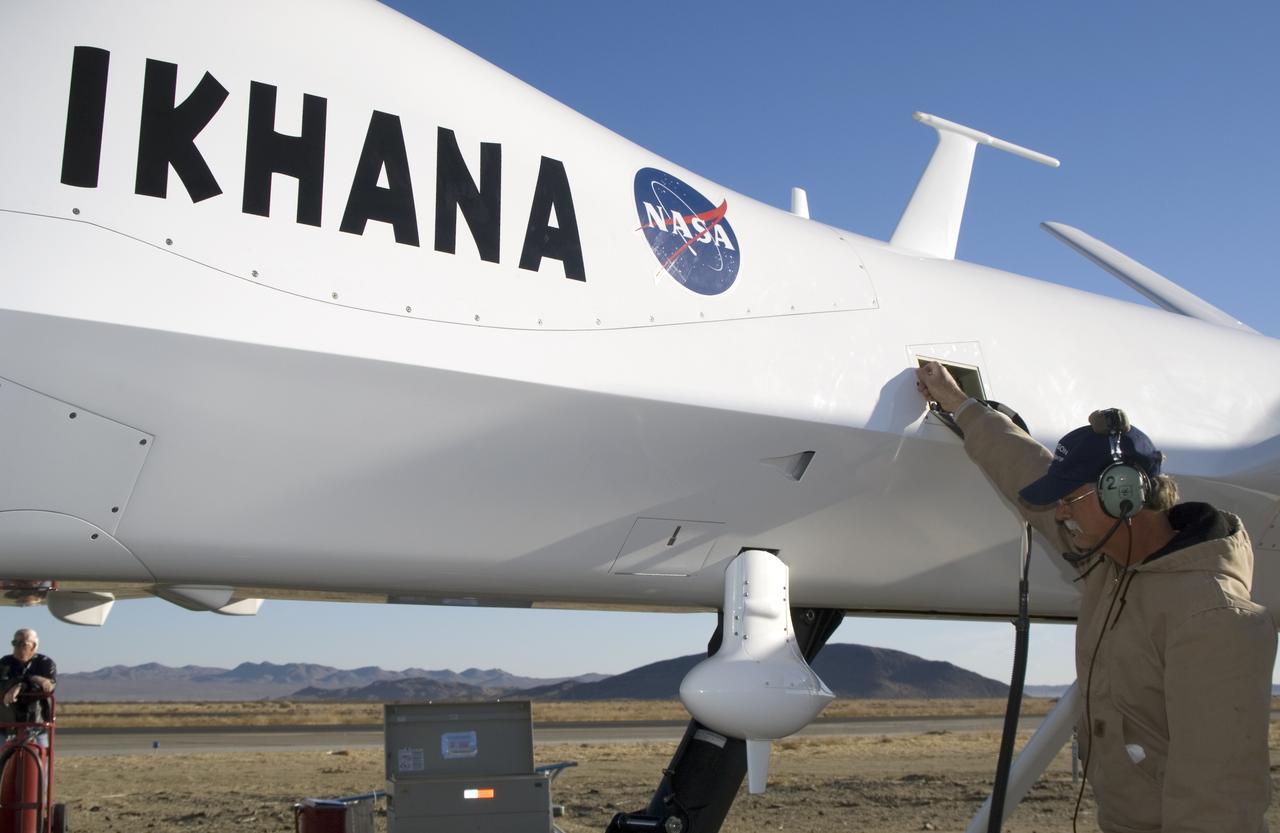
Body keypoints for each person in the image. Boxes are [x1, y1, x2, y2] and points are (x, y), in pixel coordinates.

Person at [915, 361, 1275, 833]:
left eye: (1070, 499)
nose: (1058, 513)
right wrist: (962, 406)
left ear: (1123, 495)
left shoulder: (1214, 617)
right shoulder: (1111, 563)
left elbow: (1219, 802)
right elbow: (1024, 471)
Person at [0, 628, 57, 742]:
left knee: (39, 756)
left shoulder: (45, 663)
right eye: (14, 643)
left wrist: (21, 686)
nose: (17, 647)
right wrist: (33, 679)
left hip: (37, 724)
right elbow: (2, 683)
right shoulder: (5, 662)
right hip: (7, 724)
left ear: (34, 645)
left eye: (22, 643)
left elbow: (48, 687)